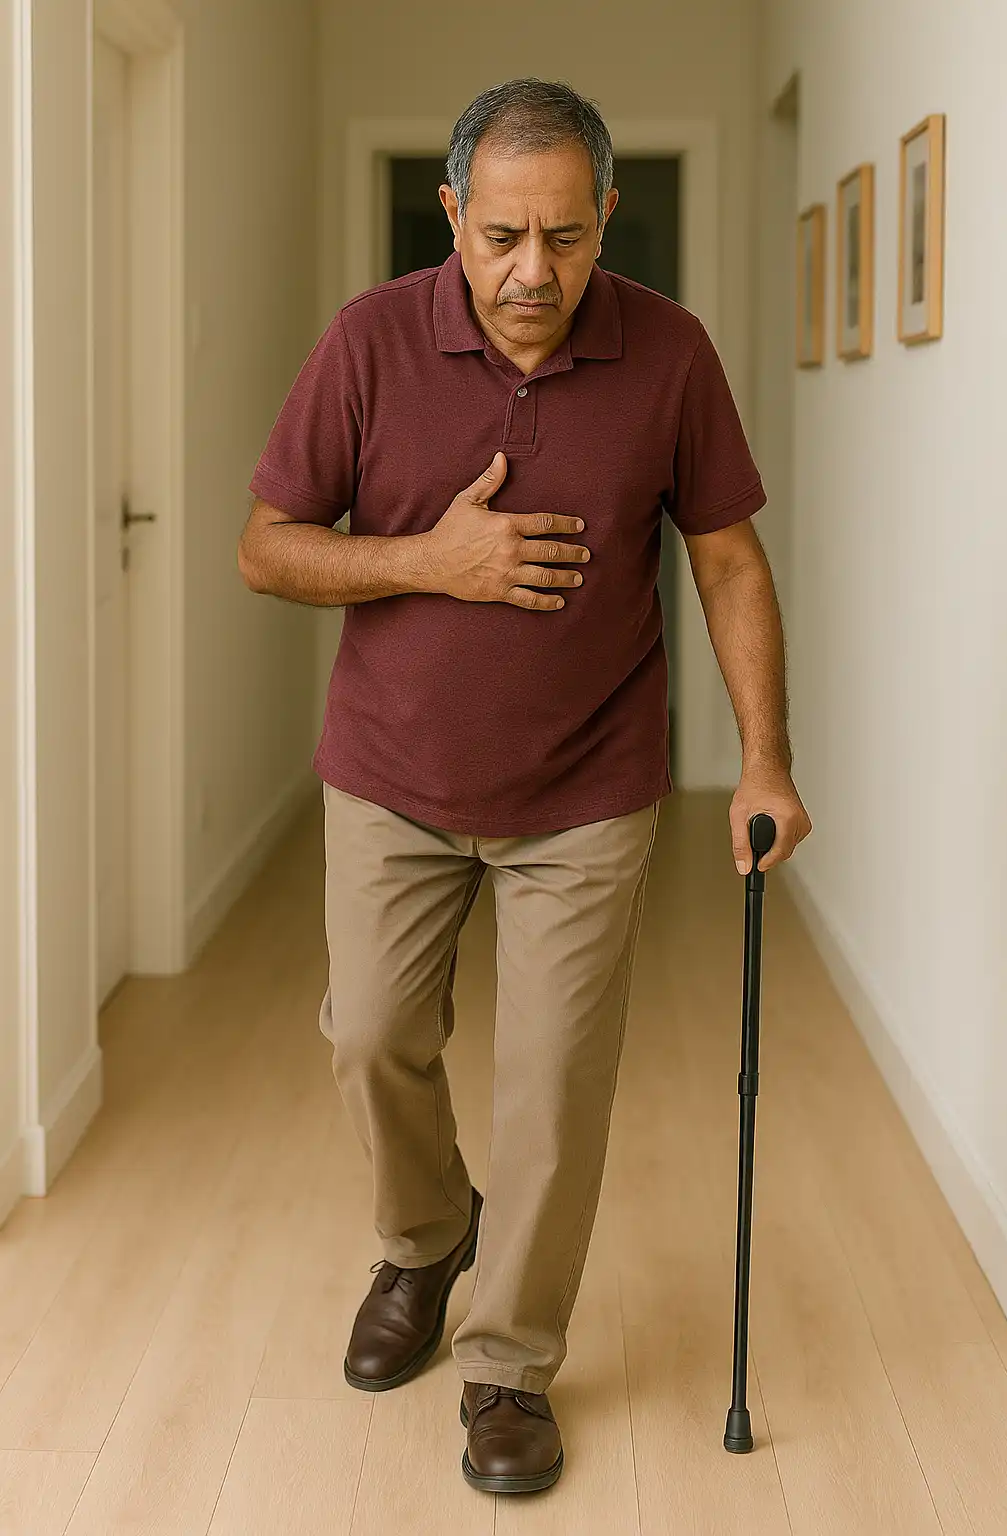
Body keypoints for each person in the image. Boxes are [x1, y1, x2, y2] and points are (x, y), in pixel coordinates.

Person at [238, 76, 811, 1496]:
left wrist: (765, 762)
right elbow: (267, 546)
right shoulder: (369, 341)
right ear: (453, 215)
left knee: (553, 1090)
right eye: (502, 236)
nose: (532, 273)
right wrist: (429, 560)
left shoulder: (670, 353)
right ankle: (430, 1241)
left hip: (588, 789)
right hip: (393, 776)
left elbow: (728, 560)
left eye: (565, 236)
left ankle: (508, 1364)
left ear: (607, 214)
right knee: (372, 1035)